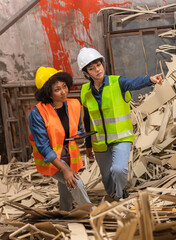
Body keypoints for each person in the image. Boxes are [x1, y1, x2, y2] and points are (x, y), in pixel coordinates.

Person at [77, 47, 163, 200]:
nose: (97, 70)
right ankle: (113, 196)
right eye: (92, 68)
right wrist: (88, 145)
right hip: (100, 143)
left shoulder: (118, 83)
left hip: (121, 138)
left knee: (118, 170)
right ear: (86, 74)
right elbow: (87, 120)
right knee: (106, 177)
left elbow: (133, 83)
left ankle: (120, 196)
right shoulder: (85, 91)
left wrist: (150, 79)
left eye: (98, 65)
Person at [28, 67, 91, 211]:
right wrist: (64, 169)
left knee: (66, 186)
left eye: (64, 86)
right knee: (76, 182)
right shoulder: (38, 113)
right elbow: (43, 147)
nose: (63, 91)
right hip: (52, 159)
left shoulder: (74, 104)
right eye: (57, 89)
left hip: (69, 155)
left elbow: (78, 130)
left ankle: (65, 213)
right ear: (48, 92)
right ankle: (92, 215)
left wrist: (80, 138)